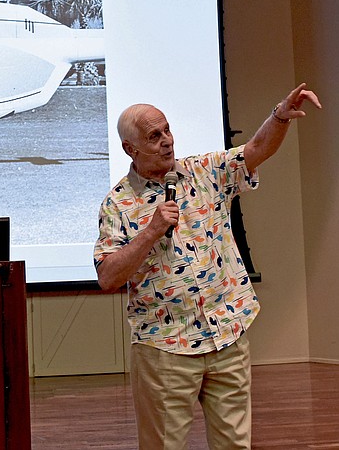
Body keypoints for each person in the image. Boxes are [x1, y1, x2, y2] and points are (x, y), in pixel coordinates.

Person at [94, 84, 321, 449]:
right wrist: (151, 231)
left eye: (167, 130)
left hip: (226, 333)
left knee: (235, 444)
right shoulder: (118, 203)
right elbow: (107, 276)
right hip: (165, 347)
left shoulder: (203, 172)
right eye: (155, 136)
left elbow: (255, 151)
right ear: (130, 149)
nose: (167, 140)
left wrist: (279, 115)